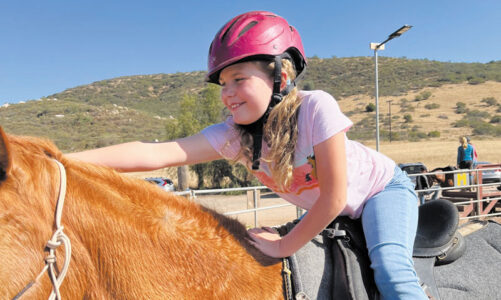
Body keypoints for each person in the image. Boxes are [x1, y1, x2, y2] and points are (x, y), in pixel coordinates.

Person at [67, 11, 427, 299]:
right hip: (336, 209)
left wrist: (285, 244)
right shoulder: (234, 136)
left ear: (280, 76)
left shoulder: (316, 108)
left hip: (379, 192)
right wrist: (62, 161)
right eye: (223, 84)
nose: (228, 93)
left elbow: (333, 198)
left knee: (391, 271)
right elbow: (158, 153)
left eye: (239, 79)